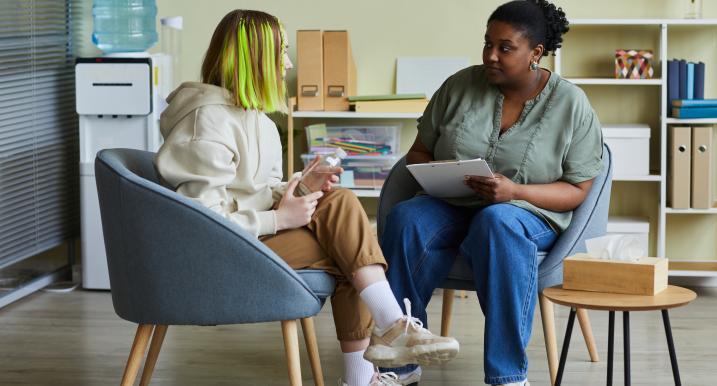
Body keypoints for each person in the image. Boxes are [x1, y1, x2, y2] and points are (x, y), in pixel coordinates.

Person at [153, 9, 458, 386]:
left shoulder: (257, 120)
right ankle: (386, 338)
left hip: (249, 240)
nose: (289, 62)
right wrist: (281, 219)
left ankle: (386, 338)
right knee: (350, 251)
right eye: (281, 52)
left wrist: (299, 189)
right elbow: (200, 224)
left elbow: (255, 192)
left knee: (345, 221)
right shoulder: (206, 124)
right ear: (255, 59)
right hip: (214, 255)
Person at [380, 1, 603, 385]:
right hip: (453, 203)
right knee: (407, 218)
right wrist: (439, 176)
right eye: (487, 44)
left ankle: (508, 376)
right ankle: (401, 364)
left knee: (497, 221)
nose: (490, 56)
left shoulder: (571, 103)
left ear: (535, 52)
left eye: (505, 47)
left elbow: (578, 190)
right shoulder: (459, 86)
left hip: (529, 213)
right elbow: (419, 152)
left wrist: (515, 191)